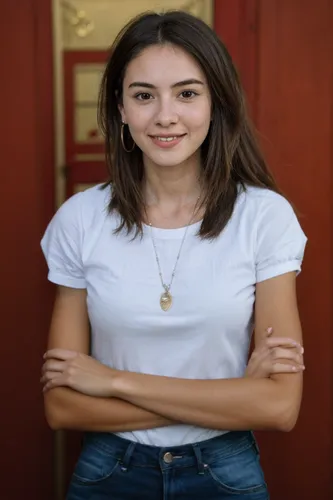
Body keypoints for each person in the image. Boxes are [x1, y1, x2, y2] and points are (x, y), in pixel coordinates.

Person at [40, 10, 307, 500]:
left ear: (215, 103)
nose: (165, 115)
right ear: (120, 109)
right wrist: (233, 397)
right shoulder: (80, 219)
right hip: (108, 472)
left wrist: (113, 380)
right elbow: (63, 407)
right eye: (144, 96)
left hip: (225, 473)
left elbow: (277, 408)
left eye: (187, 93)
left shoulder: (264, 218)